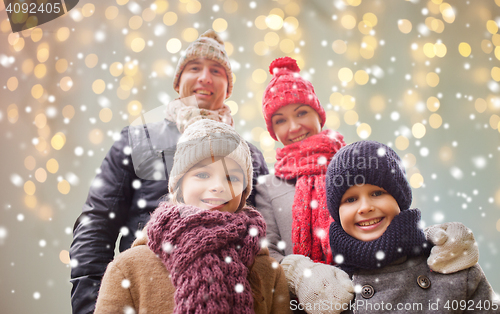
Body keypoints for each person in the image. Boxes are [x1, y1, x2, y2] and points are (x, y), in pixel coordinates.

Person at [254, 57, 480, 313]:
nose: (294, 126)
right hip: (311, 301)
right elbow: (266, 253)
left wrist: (435, 241)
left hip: (370, 278)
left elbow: (395, 214)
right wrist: (302, 273)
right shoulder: (268, 187)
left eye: (301, 112)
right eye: (280, 120)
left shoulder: (355, 160)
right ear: (272, 130)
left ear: (318, 113)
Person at [69, 30, 269, 314]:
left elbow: (266, 234)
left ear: (228, 88)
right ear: (178, 82)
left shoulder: (250, 155)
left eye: (216, 70)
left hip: (231, 298)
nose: (205, 77)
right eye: (194, 68)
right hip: (147, 293)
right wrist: (94, 306)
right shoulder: (138, 139)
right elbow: (97, 222)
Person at [94, 119, 291, 314]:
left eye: (232, 178)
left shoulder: (268, 271)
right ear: (179, 185)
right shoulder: (129, 269)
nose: (219, 186)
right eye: (203, 175)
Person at [324, 140, 498, 314]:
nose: (365, 207)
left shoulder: (451, 266)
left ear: (400, 199)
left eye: (377, 193)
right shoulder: (330, 288)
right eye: (351, 199)